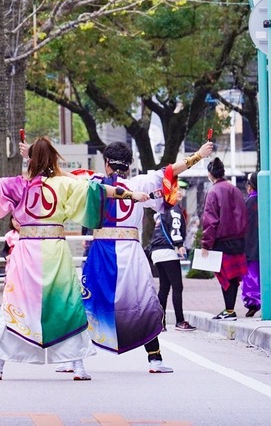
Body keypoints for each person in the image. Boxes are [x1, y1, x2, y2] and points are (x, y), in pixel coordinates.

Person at [0, 137, 148, 382]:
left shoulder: (19, 185)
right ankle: (77, 366)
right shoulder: (63, 184)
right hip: (55, 251)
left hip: (27, 253)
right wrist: (131, 195)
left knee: (14, 304)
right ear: (53, 158)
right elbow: (100, 191)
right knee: (67, 305)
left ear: (31, 160)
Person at [79, 139, 212, 375]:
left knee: (88, 301)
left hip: (101, 252)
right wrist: (199, 155)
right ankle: (155, 358)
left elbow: (61, 177)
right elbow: (171, 170)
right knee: (143, 303)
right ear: (129, 165)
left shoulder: (94, 182)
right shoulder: (139, 183)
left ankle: (74, 361)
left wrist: (33, 156)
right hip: (131, 253)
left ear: (106, 163)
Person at [201, 158, 247, 320]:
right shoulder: (235, 189)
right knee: (234, 277)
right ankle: (230, 309)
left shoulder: (213, 192)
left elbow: (210, 220)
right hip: (239, 239)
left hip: (222, 240)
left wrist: (206, 243)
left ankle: (229, 310)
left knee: (225, 276)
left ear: (209, 174)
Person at [149, 179, 196, 331]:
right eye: (177, 190)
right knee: (177, 287)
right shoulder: (175, 209)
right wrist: (179, 245)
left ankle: (159, 322)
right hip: (168, 251)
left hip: (156, 252)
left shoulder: (162, 210)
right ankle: (180, 321)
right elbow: (175, 229)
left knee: (164, 288)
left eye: (181, 189)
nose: (180, 192)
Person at [242, 174, 261, 317]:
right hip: (269, 246)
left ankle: (253, 301)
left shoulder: (247, 203)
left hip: (250, 246)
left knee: (251, 275)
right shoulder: (270, 200)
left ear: (250, 186)